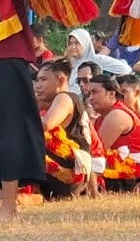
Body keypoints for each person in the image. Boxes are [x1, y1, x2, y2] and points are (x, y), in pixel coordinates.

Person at [34, 60, 92, 200]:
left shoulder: (64, 97)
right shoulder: (65, 99)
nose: (38, 85)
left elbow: (46, 125)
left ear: (60, 80)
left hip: (68, 173)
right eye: (37, 80)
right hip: (77, 173)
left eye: (43, 79)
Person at [87, 75, 140, 190]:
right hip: (118, 169)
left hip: (132, 173)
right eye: (89, 94)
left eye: (95, 92)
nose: (90, 98)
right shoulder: (102, 118)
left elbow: (95, 152)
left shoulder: (117, 114)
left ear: (111, 94)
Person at [64, 29, 131, 94]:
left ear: (85, 43)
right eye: (70, 44)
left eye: (77, 43)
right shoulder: (69, 65)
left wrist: (109, 83)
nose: (73, 47)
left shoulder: (97, 60)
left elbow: (125, 69)